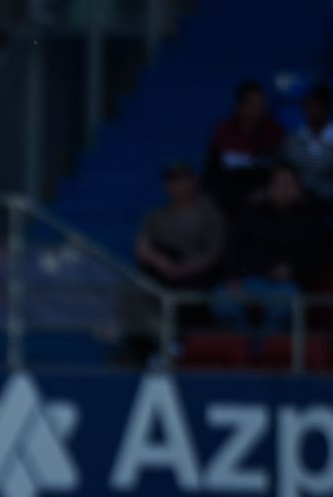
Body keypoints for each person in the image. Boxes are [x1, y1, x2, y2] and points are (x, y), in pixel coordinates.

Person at [218, 163, 328, 330]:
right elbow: (233, 247)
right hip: (248, 280)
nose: (282, 190)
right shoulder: (252, 212)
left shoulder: (310, 217)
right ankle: (244, 344)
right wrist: (233, 276)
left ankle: (267, 348)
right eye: (277, 184)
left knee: (284, 301)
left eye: (288, 184)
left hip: (286, 285)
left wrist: (293, 270)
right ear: (268, 188)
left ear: (298, 188)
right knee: (221, 298)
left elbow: (319, 255)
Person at [135, 162, 228, 290]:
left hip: (196, 277)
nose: (174, 185)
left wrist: (183, 269)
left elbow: (214, 253)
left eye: (179, 180)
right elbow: (142, 247)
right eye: (170, 180)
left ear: (193, 181)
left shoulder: (210, 214)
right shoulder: (156, 215)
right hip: (159, 274)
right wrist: (161, 263)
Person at [204, 79, 286, 219]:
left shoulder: (275, 133)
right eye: (253, 104)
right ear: (240, 106)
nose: (260, 109)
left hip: (265, 205)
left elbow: (282, 173)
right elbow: (211, 174)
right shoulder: (224, 133)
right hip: (228, 205)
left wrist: (265, 193)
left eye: (261, 104)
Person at [282, 83, 333, 206]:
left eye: (317, 106)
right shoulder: (294, 138)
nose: (312, 111)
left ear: (326, 108)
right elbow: (285, 167)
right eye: (309, 106)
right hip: (298, 199)